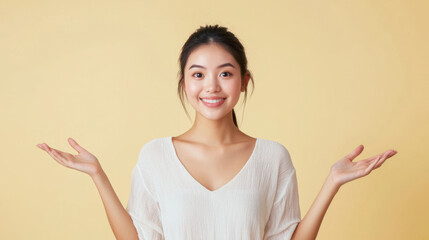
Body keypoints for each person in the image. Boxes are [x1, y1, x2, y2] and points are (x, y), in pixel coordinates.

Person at [36, 24, 398, 240]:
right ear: (184, 83)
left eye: (225, 73)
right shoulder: (155, 155)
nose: (211, 86)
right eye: (198, 74)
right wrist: (97, 175)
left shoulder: (273, 157)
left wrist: (332, 182)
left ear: (243, 82)